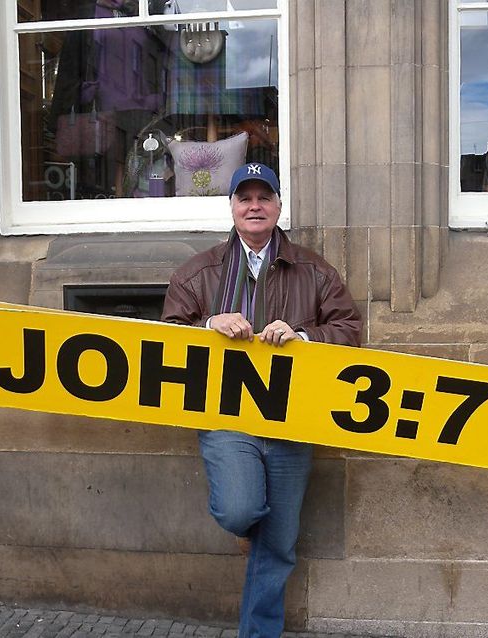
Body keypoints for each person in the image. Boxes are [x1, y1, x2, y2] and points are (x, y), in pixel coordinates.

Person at [161, 163, 362, 638]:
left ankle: (258, 633)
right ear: (231, 207)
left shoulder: (315, 270)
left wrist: (304, 335)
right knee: (240, 510)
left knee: (280, 546)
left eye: (263, 197)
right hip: (227, 417)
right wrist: (209, 325)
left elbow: (351, 331)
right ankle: (253, 523)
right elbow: (164, 339)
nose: (254, 206)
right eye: (244, 198)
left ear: (277, 206)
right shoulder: (199, 271)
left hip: (293, 420)